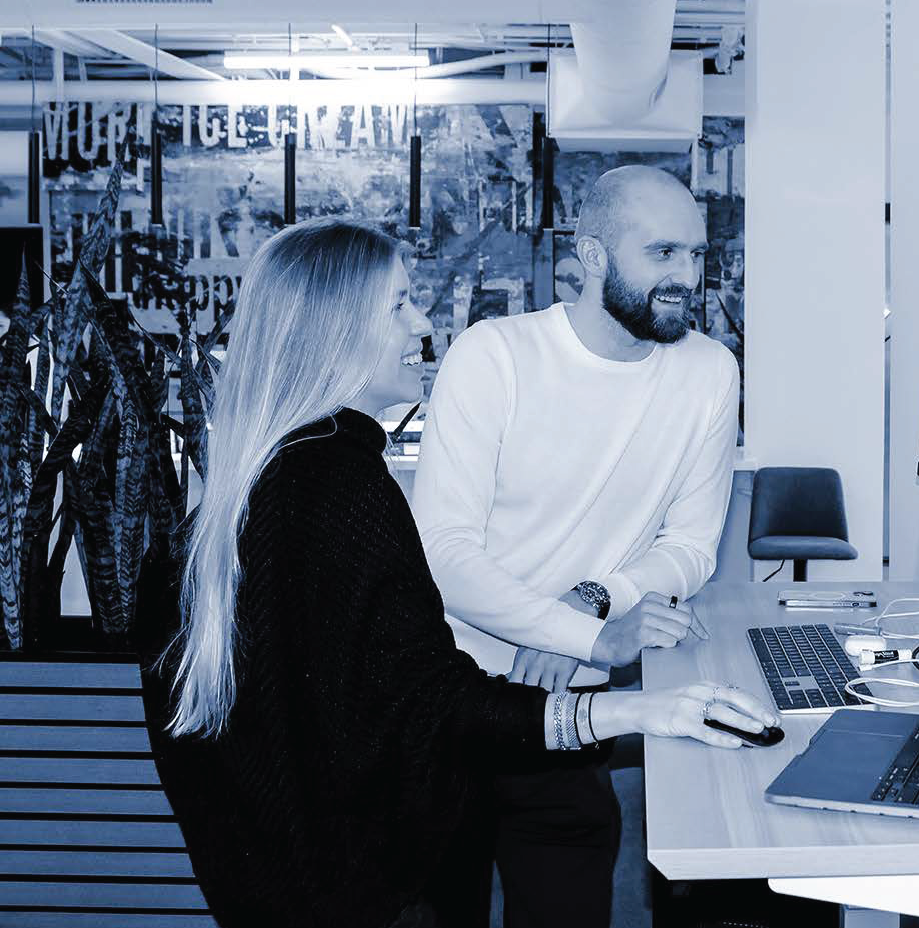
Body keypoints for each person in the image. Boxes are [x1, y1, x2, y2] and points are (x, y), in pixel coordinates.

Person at [136, 217, 776, 928]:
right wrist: (636, 709)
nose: (420, 324)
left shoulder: (259, 486)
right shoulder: (340, 488)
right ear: (335, 329)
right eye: (399, 304)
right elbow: (433, 710)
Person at [412, 165, 742, 928]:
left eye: (695, 255)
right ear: (591, 255)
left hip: (571, 714)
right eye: (662, 253)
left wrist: (593, 604)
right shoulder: (493, 355)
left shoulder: (707, 371)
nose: (685, 277)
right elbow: (444, 554)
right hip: (449, 700)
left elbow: (691, 548)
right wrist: (586, 636)